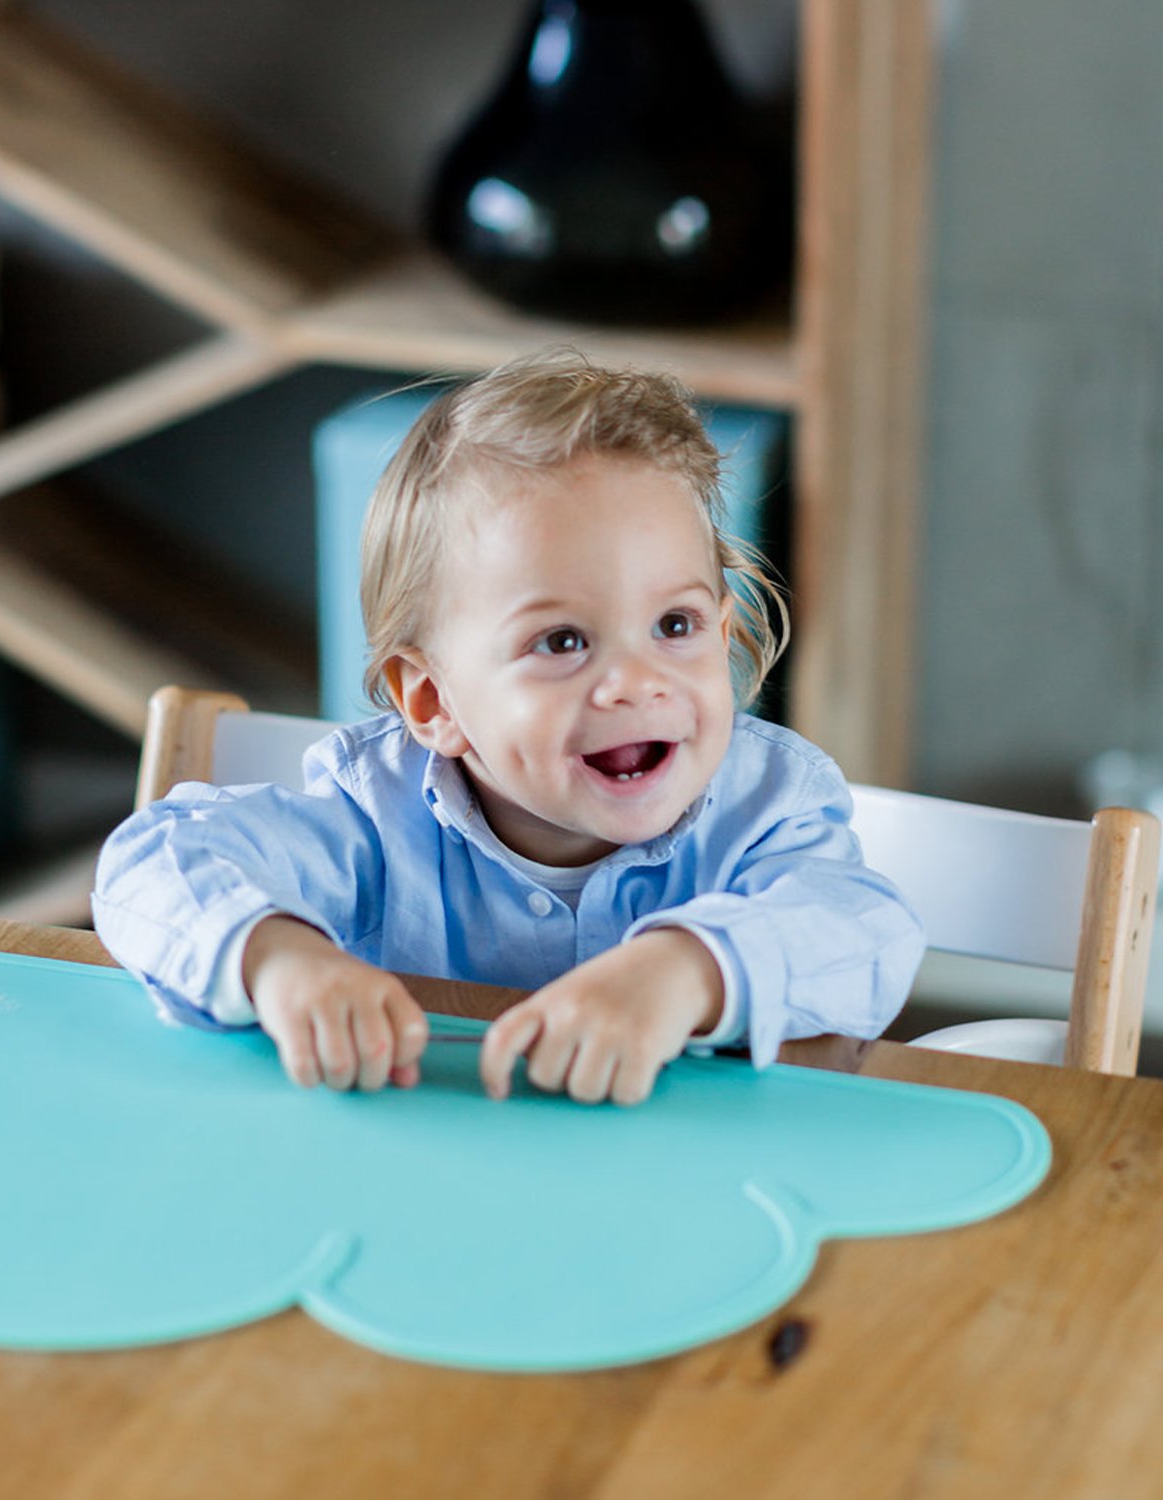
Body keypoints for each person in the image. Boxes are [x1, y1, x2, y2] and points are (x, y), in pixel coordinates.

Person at [93, 349, 924, 1106]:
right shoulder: (373, 815)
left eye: (675, 625)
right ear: (434, 703)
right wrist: (279, 959)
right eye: (562, 641)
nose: (637, 682)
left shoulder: (769, 806)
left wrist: (685, 971)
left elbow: (867, 931)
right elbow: (152, 864)